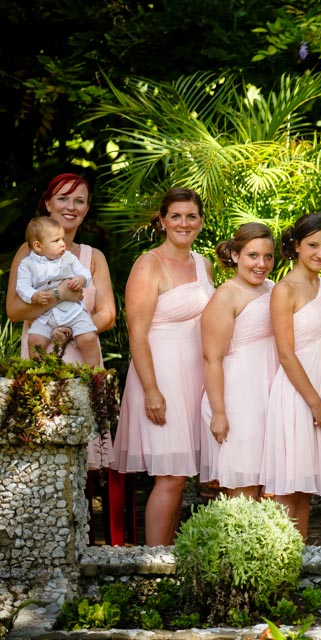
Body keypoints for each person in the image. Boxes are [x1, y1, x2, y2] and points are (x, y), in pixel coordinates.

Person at [5, 173, 122, 544]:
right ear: (48, 205)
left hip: (81, 349)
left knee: (87, 457)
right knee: (44, 450)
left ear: (86, 210)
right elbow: (13, 310)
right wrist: (58, 295)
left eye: (80, 201)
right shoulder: (29, 254)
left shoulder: (93, 257)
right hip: (43, 356)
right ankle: (45, 540)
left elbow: (107, 314)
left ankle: (88, 543)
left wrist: (73, 328)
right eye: (64, 199)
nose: (71, 207)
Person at [112, 187, 214, 546]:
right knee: (169, 476)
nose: (183, 223)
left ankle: (170, 558)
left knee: (181, 475)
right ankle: (154, 565)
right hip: (160, 377)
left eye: (191, 216)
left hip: (195, 379)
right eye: (175, 216)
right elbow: (137, 333)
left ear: (201, 221)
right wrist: (152, 390)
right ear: (162, 220)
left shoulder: (204, 264)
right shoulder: (148, 264)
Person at [260, 213, 321, 539]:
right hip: (296, 397)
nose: (320, 254)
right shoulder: (284, 290)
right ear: (296, 245)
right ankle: (276, 563)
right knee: (287, 486)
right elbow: (286, 353)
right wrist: (315, 404)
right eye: (312, 245)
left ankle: (301, 561)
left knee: (306, 489)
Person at [200, 222, 278, 499]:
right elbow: (212, 359)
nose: (261, 264)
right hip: (239, 396)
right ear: (235, 256)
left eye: (268, 256)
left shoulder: (273, 288)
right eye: (253, 256)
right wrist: (219, 412)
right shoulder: (226, 296)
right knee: (243, 477)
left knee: (268, 483)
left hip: (269, 391)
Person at [17, 216, 99, 367]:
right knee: (35, 340)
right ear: (38, 246)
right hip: (45, 315)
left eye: (62, 239)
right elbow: (22, 286)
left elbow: (84, 272)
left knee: (88, 338)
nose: (62, 244)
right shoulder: (27, 264)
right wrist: (33, 295)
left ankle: (94, 374)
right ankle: (38, 373)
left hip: (72, 311)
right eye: (56, 241)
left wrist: (81, 278)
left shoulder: (68, 258)